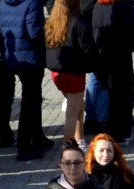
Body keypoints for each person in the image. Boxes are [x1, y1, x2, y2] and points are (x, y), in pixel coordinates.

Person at [91, 0, 134, 142]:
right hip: (121, 58)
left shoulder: (98, 6)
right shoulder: (123, 7)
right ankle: (121, 133)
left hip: (103, 58)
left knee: (107, 93)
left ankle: (105, 127)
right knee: (123, 95)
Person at [0, 0, 49, 160]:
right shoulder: (32, 3)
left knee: (32, 97)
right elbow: (34, 32)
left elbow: (0, 26)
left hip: (13, 56)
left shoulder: (4, 2)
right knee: (30, 100)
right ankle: (24, 145)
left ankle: (38, 136)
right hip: (30, 56)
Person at [43, 0, 95, 150]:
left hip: (57, 72)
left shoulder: (52, 22)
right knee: (72, 113)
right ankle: (69, 146)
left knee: (78, 106)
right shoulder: (79, 21)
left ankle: (80, 141)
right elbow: (88, 48)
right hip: (74, 73)